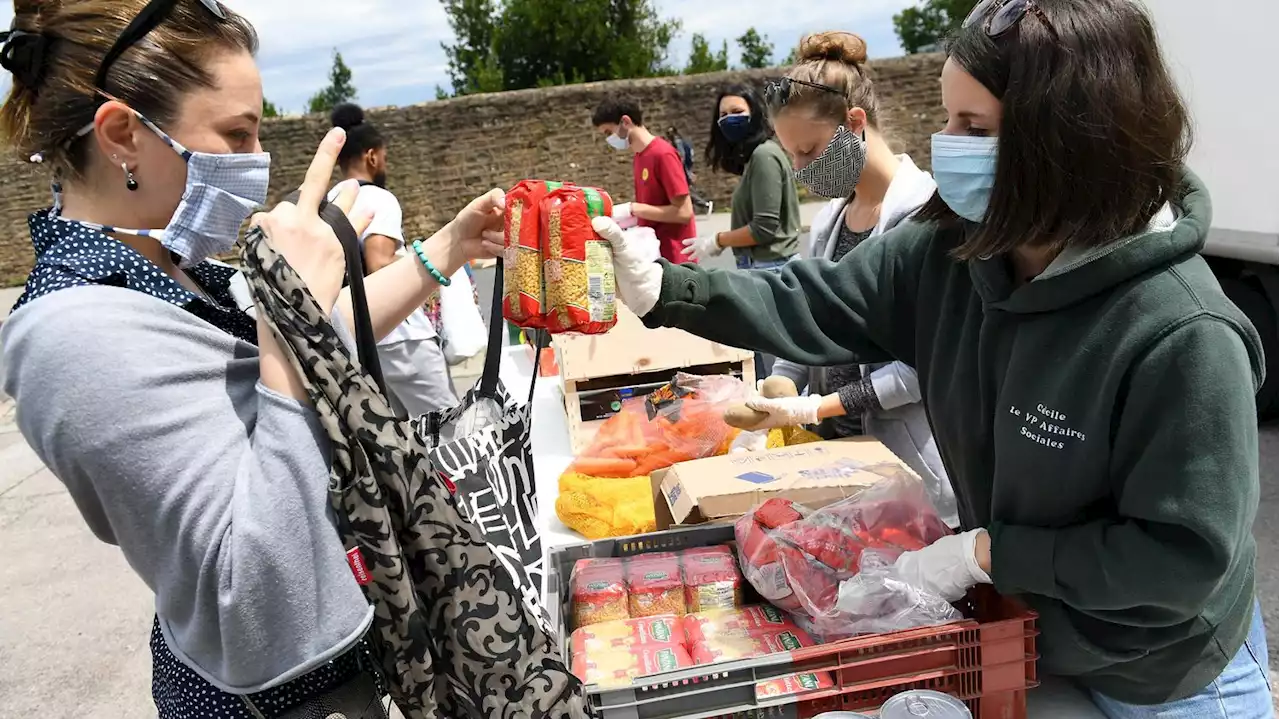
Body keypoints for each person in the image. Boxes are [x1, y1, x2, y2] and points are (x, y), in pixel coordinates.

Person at [594, 0, 1272, 716]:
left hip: (1170, 675)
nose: (945, 144)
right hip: (1041, 636)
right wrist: (669, 288)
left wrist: (985, 553)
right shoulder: (960, 250)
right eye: (948, 118)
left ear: (1071, 141)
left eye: (973, 128)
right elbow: (818, 297)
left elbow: (1180, 559)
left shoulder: (1182, 333)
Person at [0, 1, 504, 716]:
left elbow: (323, 333)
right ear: (121, 135)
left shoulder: (168, 269)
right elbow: (262, 602)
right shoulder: (71, 338)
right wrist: (289, 313)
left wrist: (447, 248)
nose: (256, 166)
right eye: (236, 134)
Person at [757, 33, 958, 528]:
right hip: (843, 461)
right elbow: (815, 315)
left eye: (809, 150)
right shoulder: (831, 219)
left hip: (910, 467)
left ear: (854, 123)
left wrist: (816, 408)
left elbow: (920, 369)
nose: (802, 170)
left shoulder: (926, 217)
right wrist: (786, 377)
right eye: (793, 157)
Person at [327, 102, 457, 418]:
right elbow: (379, 264)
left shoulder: (330, 202)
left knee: (401, 435)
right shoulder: (379, 198)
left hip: (361, 339)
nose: (385, 164)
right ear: (372, 156)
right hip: (403, 336)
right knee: (451, 428)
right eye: (384, 157)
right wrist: (422, 261)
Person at [683, 83, 800, 378]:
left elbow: (764, 228)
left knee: (775, 371)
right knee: (764, 364)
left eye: (737, 111)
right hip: (761, 268)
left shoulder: (764, 156)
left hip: (770, 269)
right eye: (723, 114)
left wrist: (718, 240)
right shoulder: (755, 159)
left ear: (755, 113)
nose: (729, 119)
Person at [592, 97, 697, 264]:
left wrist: (634, 209)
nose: (608, 139)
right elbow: (654, 206)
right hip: (656, 255)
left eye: (608, 132)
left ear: (625, 121)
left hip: (676, 258)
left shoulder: (662, 154)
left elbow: (684, 213)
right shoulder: (640, 157)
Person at [665, 125, 710, 214]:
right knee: (685, 190)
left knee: (685, 190)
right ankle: (700, 205)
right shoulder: (678, 141)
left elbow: (682, 157)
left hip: (681, 170)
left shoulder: (677, 142)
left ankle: (704, 204)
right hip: (683, 170)